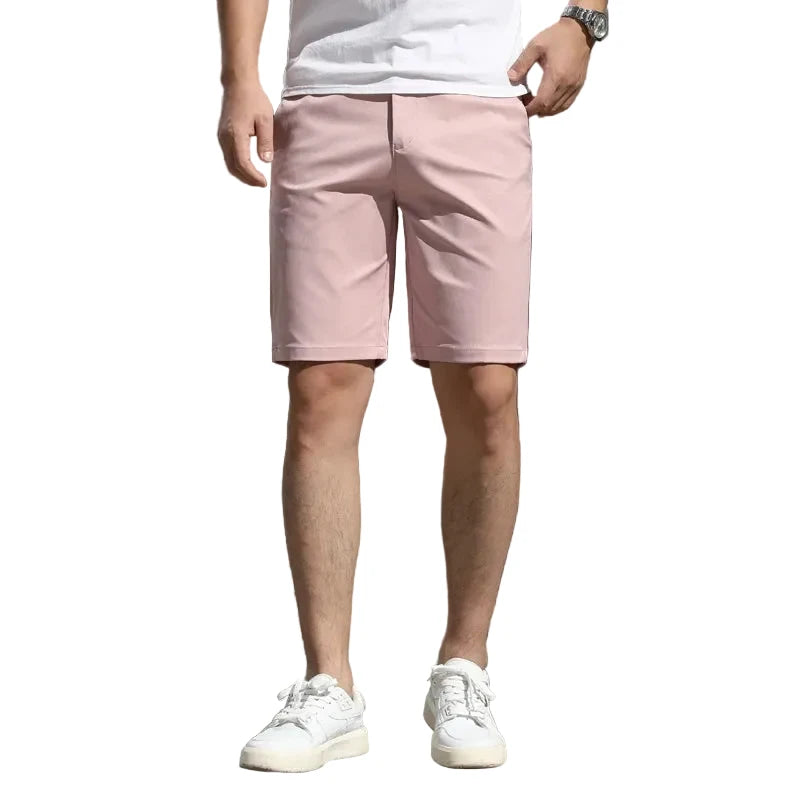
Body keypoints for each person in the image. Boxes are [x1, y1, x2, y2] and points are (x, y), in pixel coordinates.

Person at [216, 0, 609, 772]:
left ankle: (464, 665)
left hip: (476, 90)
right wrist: (239, 77)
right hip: (327, 91)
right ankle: (328, 684)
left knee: (486, 387)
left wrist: (584, 21)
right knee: (321, 389)